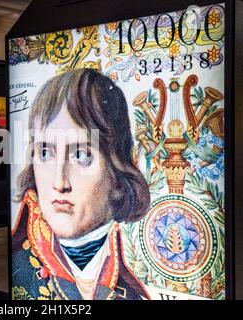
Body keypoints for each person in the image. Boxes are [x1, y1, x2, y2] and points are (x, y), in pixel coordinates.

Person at [12, 68, 150, 300]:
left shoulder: (134, 280)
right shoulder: (19, 268)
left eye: (81, 155)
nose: (59, 182)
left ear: (116, 172)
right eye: (45, 152)